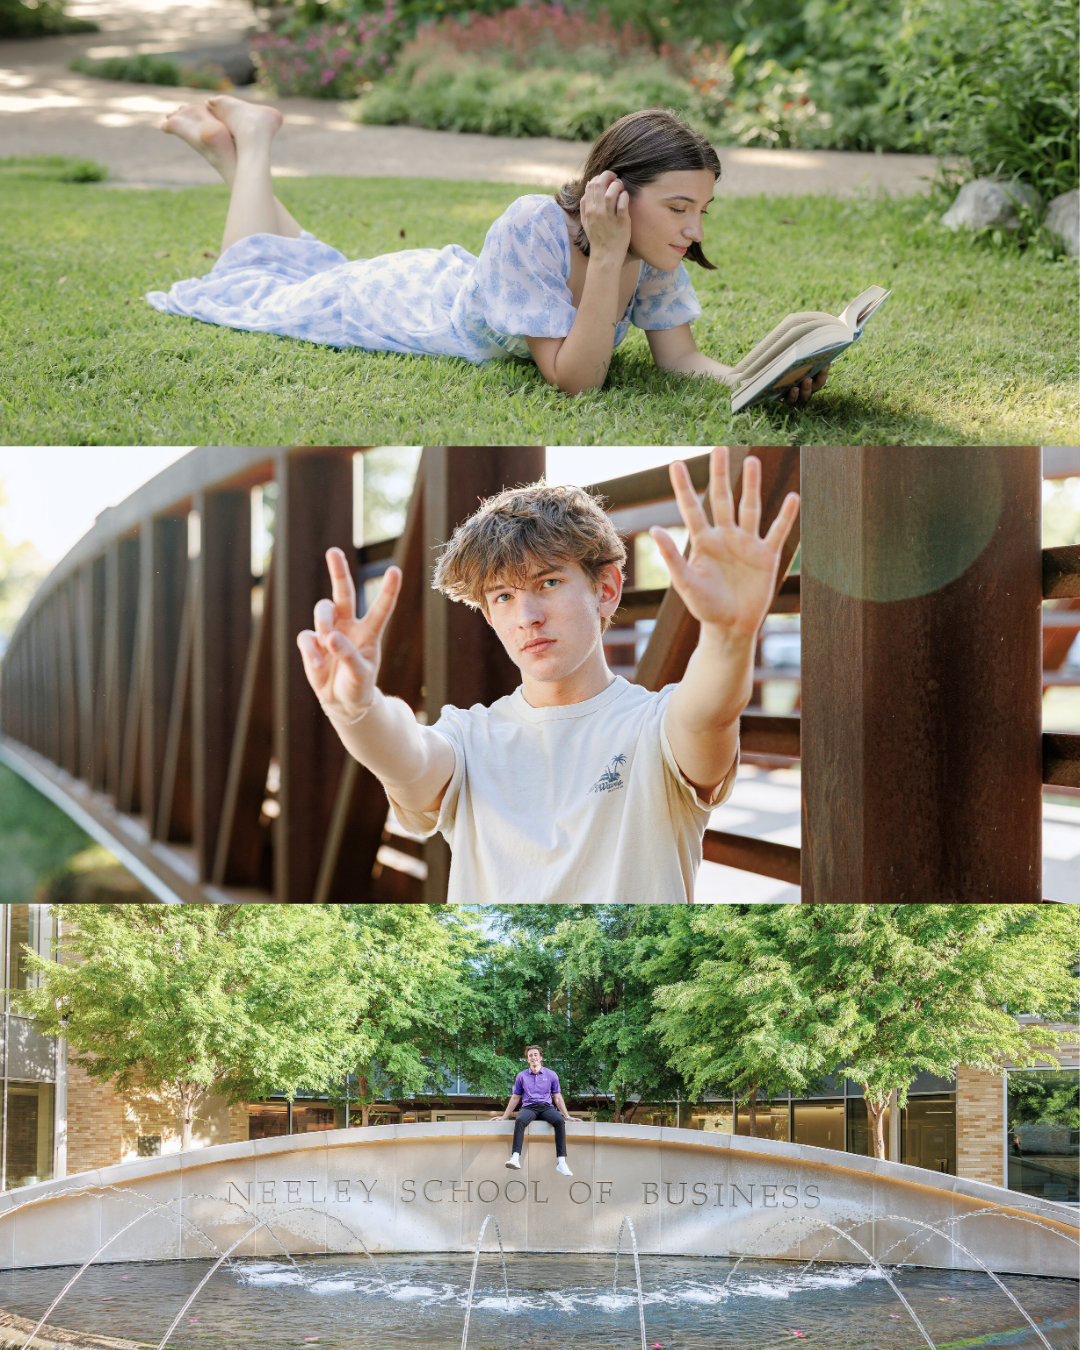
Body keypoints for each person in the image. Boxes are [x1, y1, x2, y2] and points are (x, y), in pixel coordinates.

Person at [296, 447, 799, 903]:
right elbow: (408, 760)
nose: (526, 615)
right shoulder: (469, 739)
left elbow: (709, 714)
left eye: (549, 581)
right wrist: (357, 710)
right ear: (489, 616)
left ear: (606, 588)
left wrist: (729, 635)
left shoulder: (655, 726)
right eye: (503, 596)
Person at [147, 98, 828, 402]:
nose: (693, 230)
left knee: (308, 266)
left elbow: (679, 358)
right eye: (680, 209)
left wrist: (755, 377)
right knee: (253, 286)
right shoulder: (533, 226)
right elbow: (575, 378)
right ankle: (256, 141)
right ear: (613, 193)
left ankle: (224, 150)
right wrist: (613, 250)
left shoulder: (655, 254)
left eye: (702, 211)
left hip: (448, 281)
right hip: (408, 306)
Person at [490, 1045, 581, 1175]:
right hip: (529, 1107)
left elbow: (558, 1097)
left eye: (535, 1055)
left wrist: (567, 1116)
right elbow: (515, 1098)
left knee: (559, 1122)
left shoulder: (551, 1075)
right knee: (520, 1120)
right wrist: (504, 1117)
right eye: (530, 1056)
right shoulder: (522, 1076)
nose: (533, 1057)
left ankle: (561, 1162)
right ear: (527, 1059)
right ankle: (515, 1157)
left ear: (541, 1057)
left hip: (546, 1107)